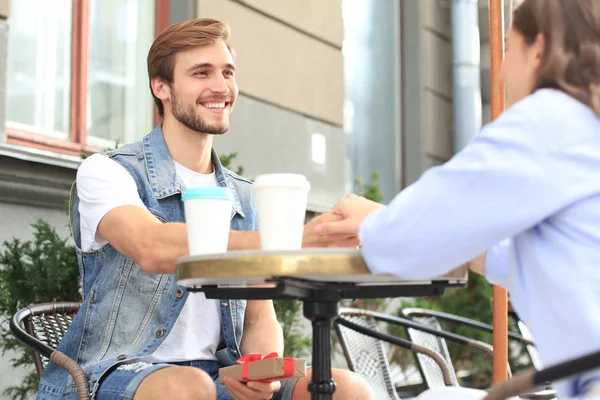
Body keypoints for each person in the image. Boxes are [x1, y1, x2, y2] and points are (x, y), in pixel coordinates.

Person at [36, 18, 374, 400]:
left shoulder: (244, 197)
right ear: (160, 87)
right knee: (190, 389)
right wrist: (292, 241)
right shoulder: (108, 171)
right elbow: (152, 246)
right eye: (202, 73)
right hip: (112, 373)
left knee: (348, 388)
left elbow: (259, 317)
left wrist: (261, 371)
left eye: (227, 72)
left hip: (217, 377)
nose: (221, 86)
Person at [314, 0, 600, 398]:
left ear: (539, 48)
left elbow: (405, 243)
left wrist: (373, 224)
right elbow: (517, 256)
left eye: (508, 51)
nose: (500, 73)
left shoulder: (550, 120)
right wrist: (389, 219)